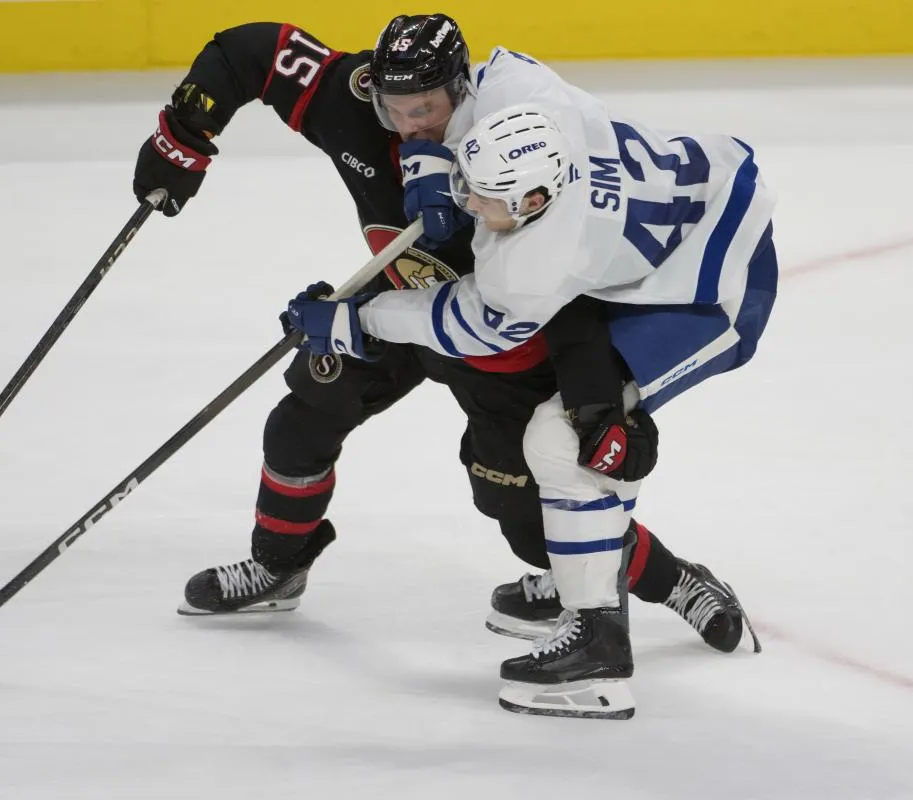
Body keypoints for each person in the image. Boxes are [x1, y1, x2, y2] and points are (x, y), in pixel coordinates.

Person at [132, 15, 753, 654]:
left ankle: (678, 581)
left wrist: (372, 301)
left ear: (461, 89)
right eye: (393, 108)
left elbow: (489, 318)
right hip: (400, 301)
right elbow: (252, 52)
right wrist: (185, 137)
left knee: (527, 523)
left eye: (425, 107)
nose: (408, 124)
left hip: (507, 340)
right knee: (301, 422)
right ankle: (278, 564)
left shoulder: (518, 147)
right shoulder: (354, 101)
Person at [285, 37, 776, 717]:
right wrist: (435, 156)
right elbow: (481, 91)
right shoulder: (519, 90)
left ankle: (599, 649)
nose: (469, 209)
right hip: (688, 209)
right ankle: (588, 573)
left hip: (711, 284)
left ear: (537, 199)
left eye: (486, 204)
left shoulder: (535, 264)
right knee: (569, 432)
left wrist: (354, 321)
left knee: (566, 442)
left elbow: (463, 324)